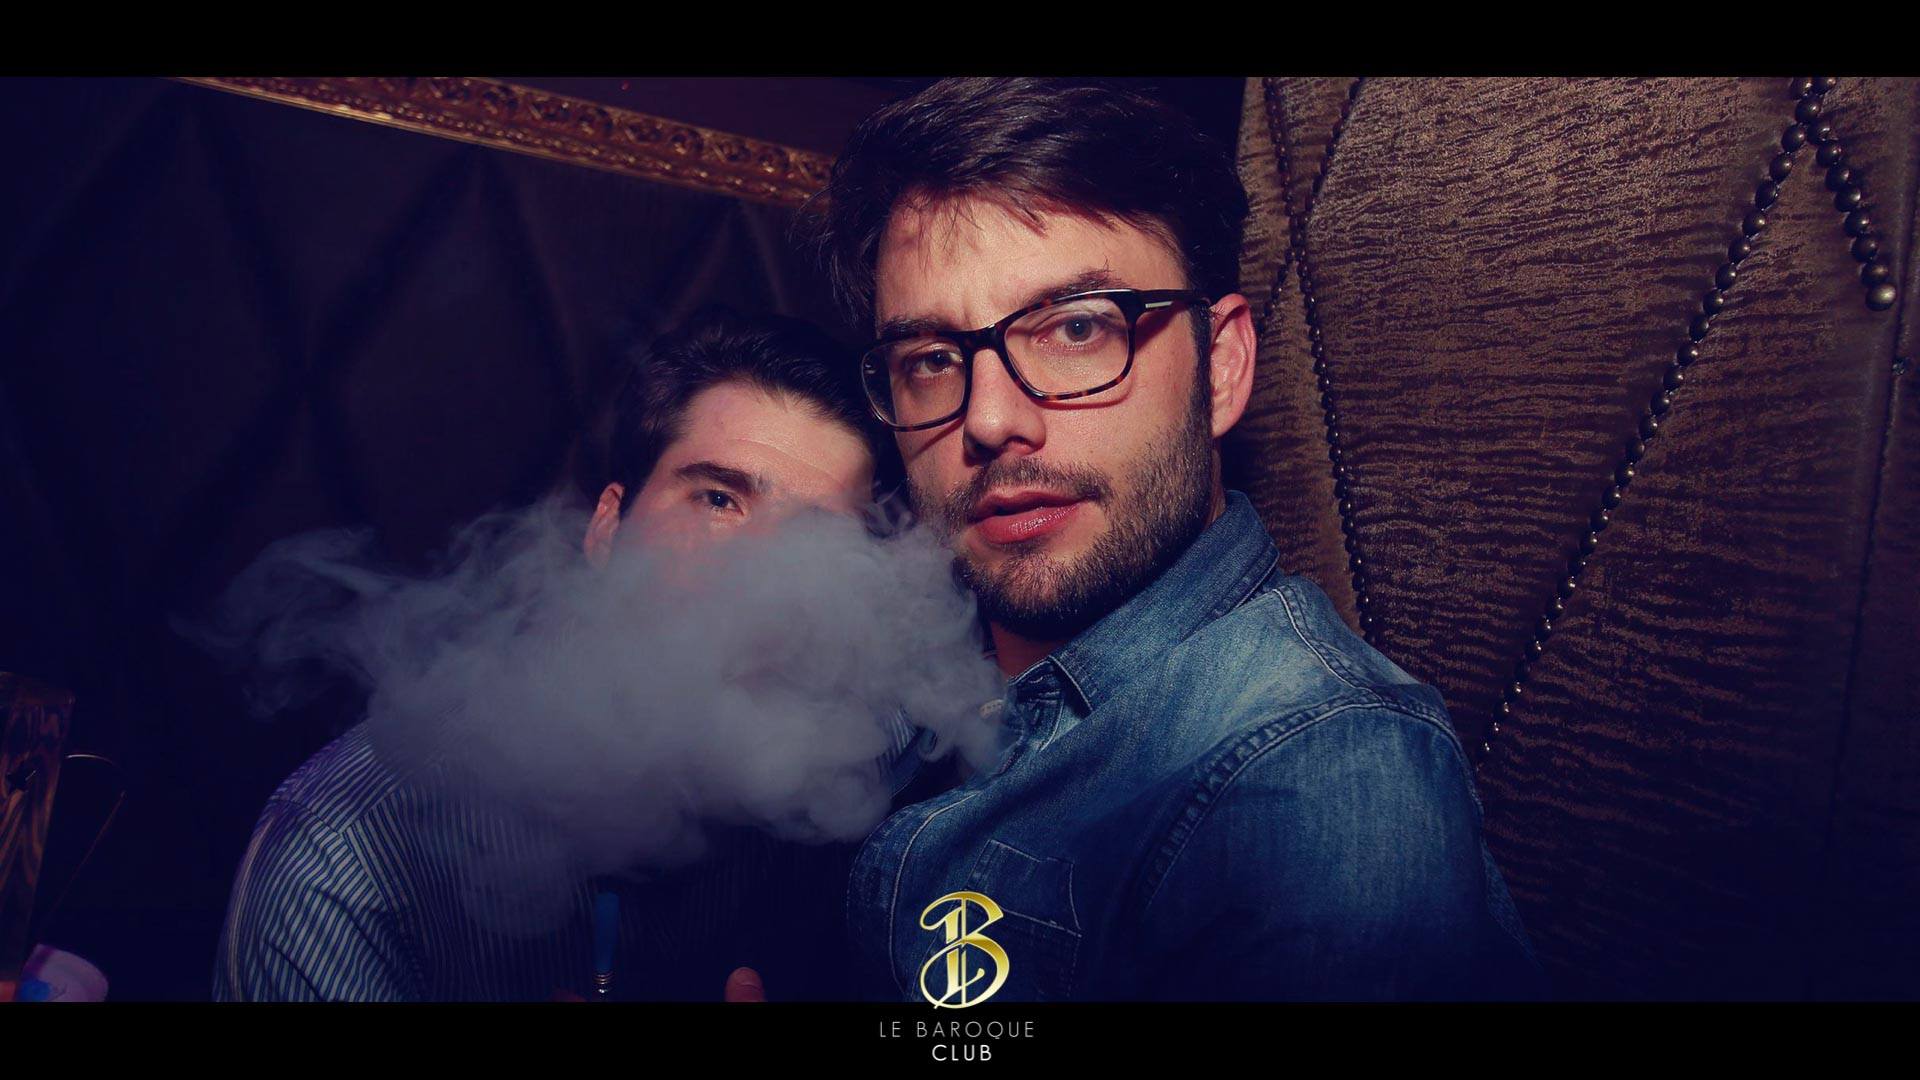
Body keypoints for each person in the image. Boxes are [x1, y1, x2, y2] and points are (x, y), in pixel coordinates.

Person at [791, 77, 1549, 1001]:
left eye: (1077, 328)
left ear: (1220, 368)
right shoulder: (909, 656)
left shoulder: (1315, 779)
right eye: (933, 360)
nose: (989, 420)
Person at [213, 308, 909, 1001]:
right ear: (607, 527)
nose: (761, 574)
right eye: (718, 500)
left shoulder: (871, 771)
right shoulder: (350, 855)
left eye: (818, 542)